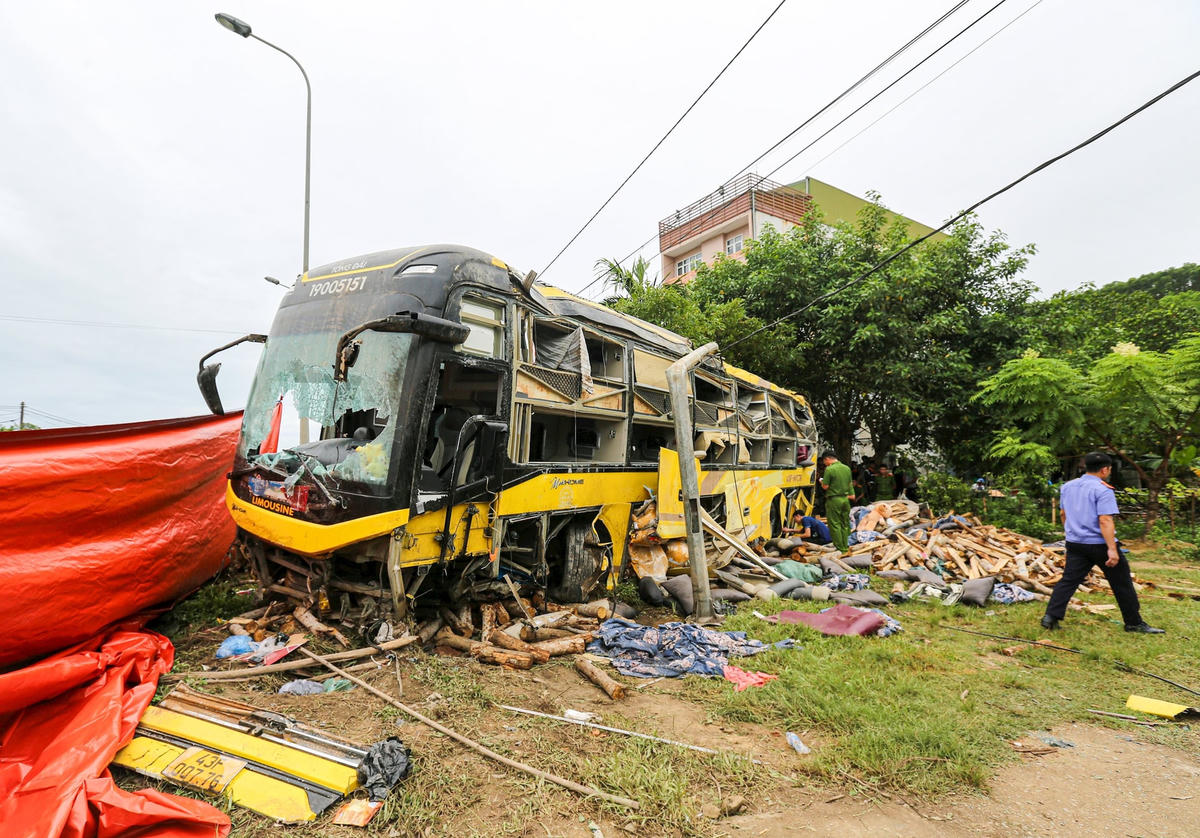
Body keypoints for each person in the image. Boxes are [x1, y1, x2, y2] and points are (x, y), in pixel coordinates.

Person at [1041, 451, 1163, 634]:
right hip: (1099, 544)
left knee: (1068, 581)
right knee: (1122, 583)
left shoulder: (1068, 486)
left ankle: (1051, 617)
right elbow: (1105, 520)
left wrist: (1071, 534)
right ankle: (1133, 623)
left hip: (1075, 543)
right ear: (1105, 470)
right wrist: (1112, 549)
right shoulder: (1103, 490)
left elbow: (1063, 514)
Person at [819, 449, 854, 552]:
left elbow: (825, 486)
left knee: (835, 524)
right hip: (845, 499)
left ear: (827, 459)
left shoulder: (829, 469)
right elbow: (850, 484)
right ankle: (846, 545)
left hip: (834, 500)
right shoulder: (847, 468)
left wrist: (821, 481)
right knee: (845, 523)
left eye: (824, 461)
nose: (824, 464)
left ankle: (841, 549)